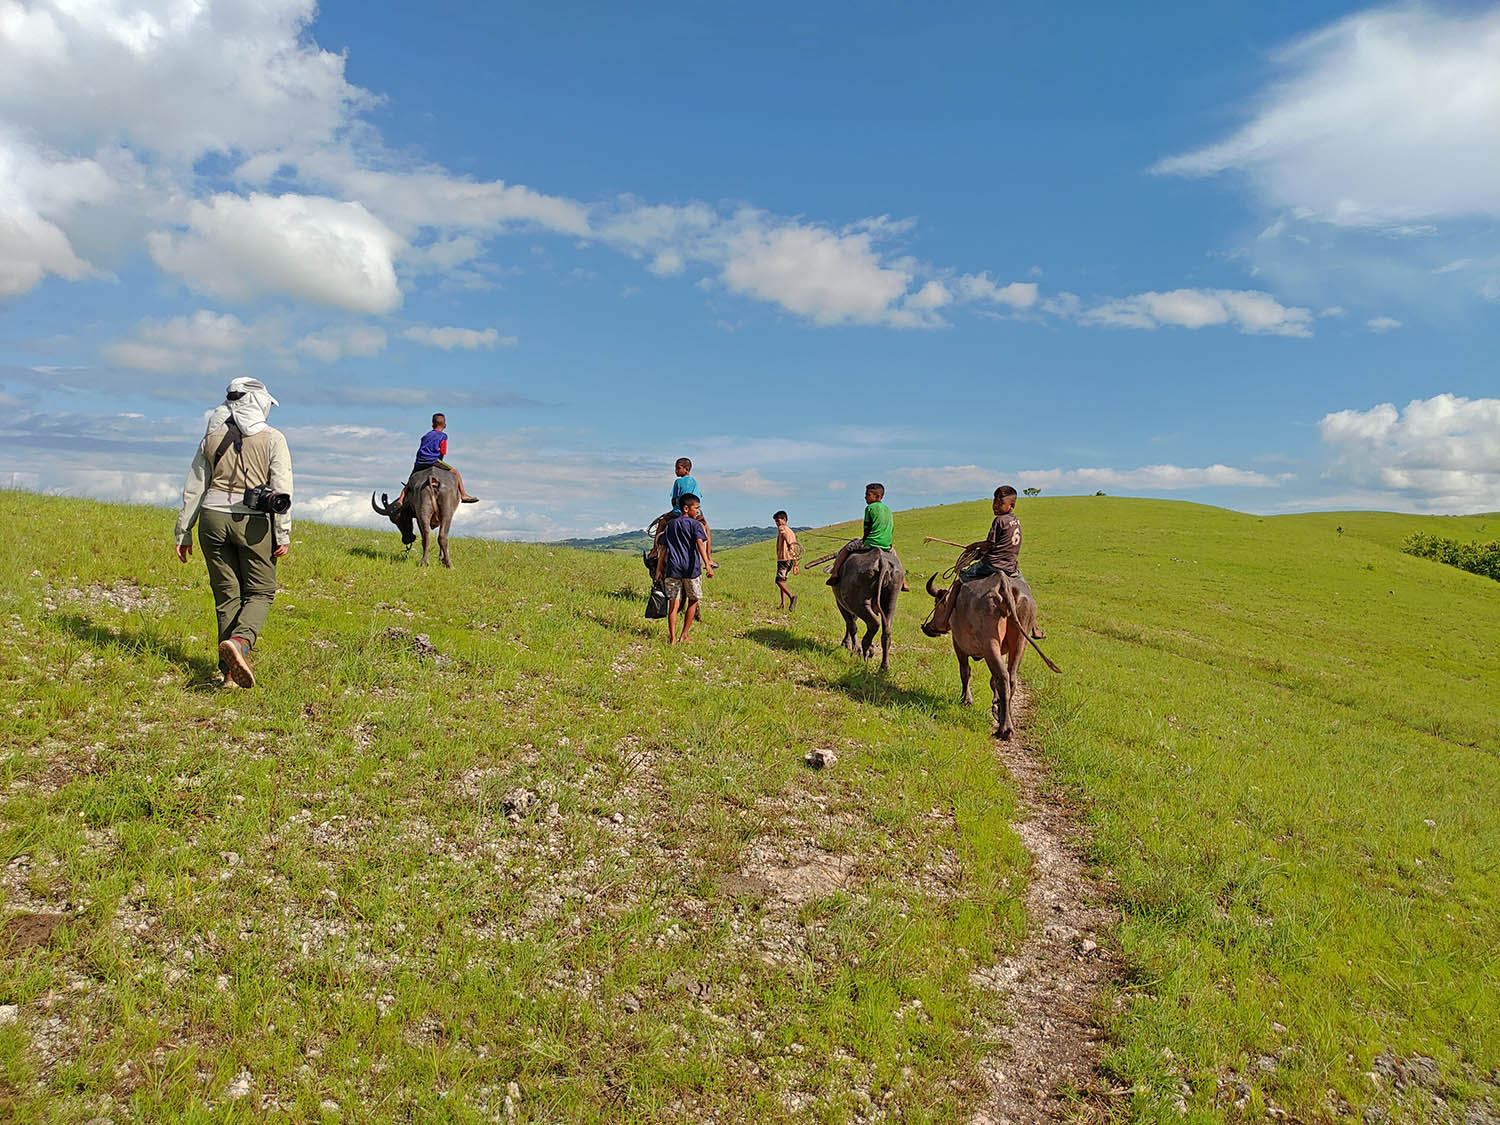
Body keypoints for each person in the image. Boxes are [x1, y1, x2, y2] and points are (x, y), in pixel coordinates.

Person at [173, 377, 293, 689]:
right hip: (253, 522)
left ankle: (229, 675)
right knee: (261, 592)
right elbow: (282, 488)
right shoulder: (273, 438)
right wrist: (282, 533)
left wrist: (184, 532)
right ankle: (240, 643)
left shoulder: (210, 437)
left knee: (227, 596)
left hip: (211, 519)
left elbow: (195, 486)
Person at [922, 484, 1045, 638]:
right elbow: (1002, 543)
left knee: (959, 581)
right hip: (1011, 566)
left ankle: (944, 620)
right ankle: (1035, 628)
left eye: (1000, 503)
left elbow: (990, 544)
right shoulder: (1016, 520)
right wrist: (983, 552)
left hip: (992, 564)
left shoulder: (999, 520)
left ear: (1011, 505)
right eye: (994, 502)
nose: (996, 506)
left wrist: (975, 546)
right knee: (1025, 590)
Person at [825, 482, 910, 590]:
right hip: (886, 545)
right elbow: (891, 528)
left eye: (868, 495)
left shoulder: (870, 508)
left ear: (877, 496)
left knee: (846, 549)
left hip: (870, 543)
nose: (865, 497)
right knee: (896, 559)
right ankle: (904, 582)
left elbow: (867, 528)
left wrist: (864, 540)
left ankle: (834, 573)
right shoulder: (888, 510)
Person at [656, 494, 712, 645]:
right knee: (693, 600)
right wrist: (707, 564)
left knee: (673, 605)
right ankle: (684, 635)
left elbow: (663, 548)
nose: (698, 511)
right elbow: (700, 544)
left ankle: (672, 638)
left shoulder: (670, 525)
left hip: (673, 569)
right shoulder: (695, 525)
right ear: (686, 508)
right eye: (696, 508)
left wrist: (659, 569)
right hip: (691, 570)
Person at [400, 413, 478, 506]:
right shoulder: (443, 436)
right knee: (456, 472)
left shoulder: (425, 436)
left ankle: (400, 500)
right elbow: (443, 452)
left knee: (410, 481)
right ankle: (464, 495)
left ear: (432, 424)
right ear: (445, 425)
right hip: (433, 460)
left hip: (419, 462)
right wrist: (440, 461)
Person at [671, 456, 714, 567]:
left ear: (686, 469)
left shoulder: (678, 482)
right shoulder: (694, 482)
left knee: (662, 523)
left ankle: (655, 550)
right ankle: (709, 558)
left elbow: (674, 499)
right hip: (695, 511)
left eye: (678, 468)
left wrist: (675, 507)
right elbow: (698, 496)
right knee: (707, 530)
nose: (676, 471)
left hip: (680, 511)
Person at [774, 510, 800, 611]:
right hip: (791, 559)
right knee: (783, 581)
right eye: (776, 521)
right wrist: (796, 564)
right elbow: (795, 547)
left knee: (779, 580)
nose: (777, 523)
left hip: (783, 558)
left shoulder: (782, 528)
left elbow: (785, 536)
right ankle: (783, 604)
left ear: (784, 519)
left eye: (778, 520)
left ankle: (792, 597)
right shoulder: (792, 532)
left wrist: (788, 544)